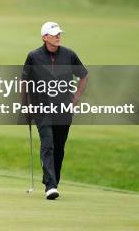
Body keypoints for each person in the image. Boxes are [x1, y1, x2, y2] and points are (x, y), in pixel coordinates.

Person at [21, 21, 88, 200]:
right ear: (44, 37)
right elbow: (24, 82)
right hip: (41, 108)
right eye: (54, 34)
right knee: (48, 143)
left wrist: (76, 97)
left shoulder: (69, 55)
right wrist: (25, 106)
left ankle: (52, 181)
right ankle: (50, 186)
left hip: (63, 109)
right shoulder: (33, 57)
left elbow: (83, 75)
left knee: (59, 148)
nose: (58, 36)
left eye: (59, 34)